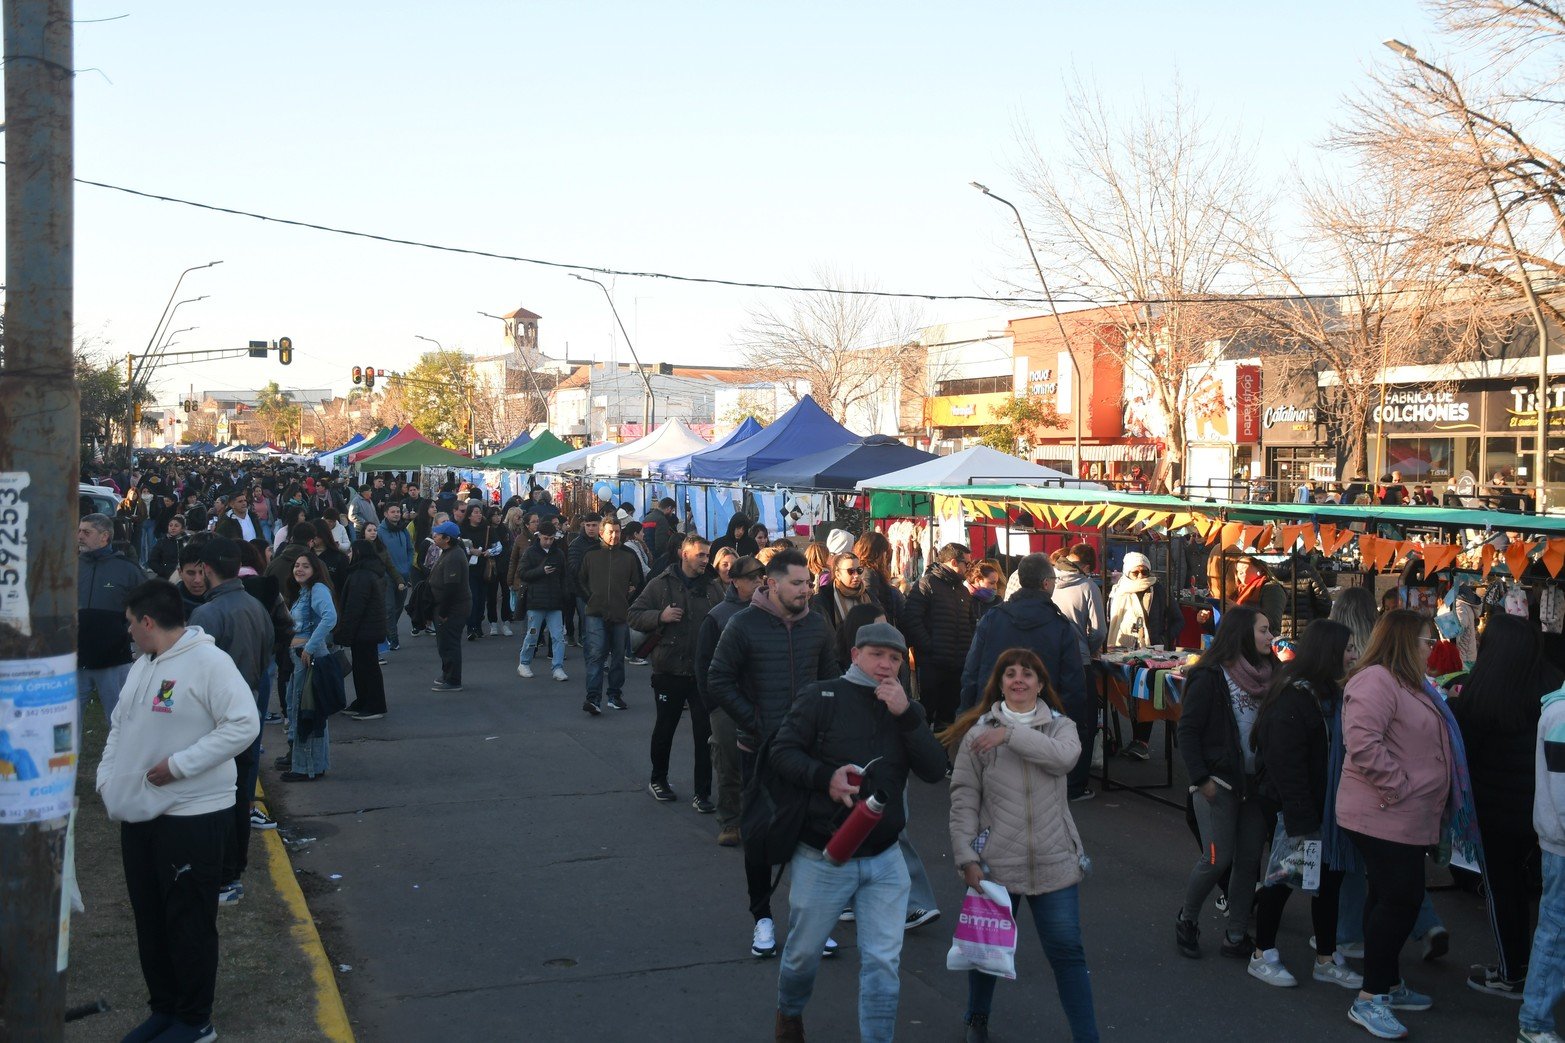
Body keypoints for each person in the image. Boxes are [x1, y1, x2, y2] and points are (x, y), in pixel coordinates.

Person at [768, 622, 948, 1043]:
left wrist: (906, 715)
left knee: (883, 962)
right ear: (854, 655)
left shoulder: (907, 707)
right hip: (824, 855)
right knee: (801, 956)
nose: (886, 665)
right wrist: (824, 777)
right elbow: (781, 752)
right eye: (876, 655)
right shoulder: (821, 697)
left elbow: (935, 770)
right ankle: (789, 1014)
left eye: (895, 659)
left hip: (885, 858)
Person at [97, 580, 260, 1043]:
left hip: (192, 816)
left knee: (187, 922)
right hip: (139, 816)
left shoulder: (209, 662)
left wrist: (179, 766)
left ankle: (194, 1021)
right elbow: (119, 727)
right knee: (150, 919)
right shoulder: (141, 666)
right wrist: (106, 779)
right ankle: (164, 1009)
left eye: (130, 623)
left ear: (148, 622)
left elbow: (243, 724)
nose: (128, 632)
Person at [1337, 609, 1481, 1039]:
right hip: (1382, 813)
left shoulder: (1407, 682)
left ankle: (1387, 984)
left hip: (1401, 814)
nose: (1431, 647)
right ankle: (1370, 998)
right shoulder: (1376, 680)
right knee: (1400, 900)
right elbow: (1362, 742)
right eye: (1424, 640)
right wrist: (1400, 788)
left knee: (1388, 898)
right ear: (1402, 641)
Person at [944, 648, 1098, 1042]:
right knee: (985, 954)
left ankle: (1088, 1036)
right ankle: (976, 1018)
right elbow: (963, 799)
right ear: (1000, 683)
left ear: (1041, 684)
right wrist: (966, 857)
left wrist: (1011, 735)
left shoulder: (1061, 727)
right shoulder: (978, 734)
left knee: (1068, 955)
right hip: (995, 864)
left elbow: (1066, 760)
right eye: (1010, 673)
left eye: (1027, 674)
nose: (1018, 680)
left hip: (1055, 861)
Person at [707, 548, 839, 959]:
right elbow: (718, 678)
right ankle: (762, 917)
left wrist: (826, 726)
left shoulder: (817, 627)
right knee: (761, 835)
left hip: (809, 752)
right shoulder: (743, 625)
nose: (805, 590)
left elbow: (831, 681)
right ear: (772, 584)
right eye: (797, 583)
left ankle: (811, 920)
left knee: (813, 837)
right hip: (759, 750)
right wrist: (755, 721)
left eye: (807, 583)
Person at [1247, 619, 1365, 990]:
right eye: (1347, 649)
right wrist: (1301, 816)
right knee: (1283, 878)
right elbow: (1286, 764)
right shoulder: (1295, 697)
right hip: (1296, 807)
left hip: (1326, 808)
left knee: (1327, 881)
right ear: (1328, 653)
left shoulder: (1328, 693)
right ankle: (1261, 952)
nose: (1354, 655)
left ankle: (1326, 957)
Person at [1454, 614, 1564, 998]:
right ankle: (1541, 970)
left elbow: (1464, 750)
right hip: (1547, 808)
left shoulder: (1482, 690)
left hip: (1495, 811)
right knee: (1549, 898)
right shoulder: (1552, 684)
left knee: (1505, 891)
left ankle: (1512, 970)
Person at [1175, 605, 1276, 960]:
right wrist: (1201, 779)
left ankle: (1235, 935)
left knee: (1249, 863)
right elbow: (1186, 731)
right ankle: (1187, 920)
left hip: (1257, 785)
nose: (1270, 636)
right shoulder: (1209, 674)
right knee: (1217, 859)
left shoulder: (1272, 673)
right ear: (1242, 633)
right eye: (1264, 629)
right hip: (1219, 784)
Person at [186, 538, 274, 908]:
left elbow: (194, 674)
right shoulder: (255, 605)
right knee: (239, 796)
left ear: (206, 570)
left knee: (221, 799)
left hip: (219, 719)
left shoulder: (208, 615)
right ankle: (232, 872)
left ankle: (223, 877)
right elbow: (268, 653)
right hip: (247, 711)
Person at [961, 553, 1092, 801]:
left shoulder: (994, 617)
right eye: (1053, 579)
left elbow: (971, 671)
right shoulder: (1059, 626)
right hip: (1039, 722)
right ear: (1045, 583)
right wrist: (1074, 727)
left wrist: (966, 712)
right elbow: (1073, 686)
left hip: (994, 716)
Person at [629, 533, 724, 809]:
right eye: (701, 555)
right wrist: (660, 616)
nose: (706, 560)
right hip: (668, 668)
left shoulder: (712, 588)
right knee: (665, 728)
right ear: (685, 554)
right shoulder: (661, 584)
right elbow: (633, 614)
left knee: (704, 734)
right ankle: (658, 779)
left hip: (701, 672)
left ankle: (702, 793)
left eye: (708, 555)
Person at [695, 554, 767, 847]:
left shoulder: (771, 612)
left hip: (762, 699)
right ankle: (730, 820)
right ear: (735, 581)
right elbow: (703, 664)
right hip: (725, 703)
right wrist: (712, 705)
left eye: (761, 576)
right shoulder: (718, 616)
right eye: (752, 577)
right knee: (729, 762)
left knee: (764, 762)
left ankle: (758, 819)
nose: (759, 581)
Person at [1519, 675, 1565, 1042]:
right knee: (1556, 931)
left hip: (1558, 840)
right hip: (1561, 845)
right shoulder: (1561, 715)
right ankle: (1535, 1022)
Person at [77, 513, 147, 725]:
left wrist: (129, 630)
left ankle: (121, 759)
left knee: (119, 721)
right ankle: (70, 759)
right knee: (67, 724)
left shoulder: (126, 569)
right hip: (75, 660)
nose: (79, 536)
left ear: (104, 536)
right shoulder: (70, 566)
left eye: (86, 532)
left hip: (113, 660)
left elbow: (148, 604)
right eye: (79, 531)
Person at [279, 552, 338, 781]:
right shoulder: (303, 591)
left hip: (308, 659)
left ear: (315, 570)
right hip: (299, 658)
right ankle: (307, 763)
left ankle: (306, 769)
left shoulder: (318, 589)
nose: (299, 569)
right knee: (299, 709)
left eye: (305, 566)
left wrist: (310, 647)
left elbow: (329, 618)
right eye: (296, 565)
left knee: (308, 713)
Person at [903, 543, 977, 728]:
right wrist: (929, 648)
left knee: (949, 717)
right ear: (953, 562)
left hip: (957, 665)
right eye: (966, 564)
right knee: (925, 713)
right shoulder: (926, 584)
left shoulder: (962, 590)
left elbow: (970, 623)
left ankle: (944, 753)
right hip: (932, 665)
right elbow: (911, 620)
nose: (968, 568)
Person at [578, 514, 643, 715]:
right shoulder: (590, 554)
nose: (614, 536)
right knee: (596, 655)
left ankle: (614, 695)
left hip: (620, 613)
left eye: (617, 532)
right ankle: (593, 698)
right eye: (610, 532)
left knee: (617, 657)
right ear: (601, 532)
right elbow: (580, 580)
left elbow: (639, 582)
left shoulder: (629, 555)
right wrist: (591, 599)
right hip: (595, 613)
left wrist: (628, 602)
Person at [337, 539, 390, 721]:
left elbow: (355, 608)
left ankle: (374, 705)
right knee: (362, 667)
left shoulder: (362, 575)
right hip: (368, 628)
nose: (348, 555)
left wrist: (344, 632)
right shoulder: (367, 572)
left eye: (351, 551)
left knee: (368, 668)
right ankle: (363, 700)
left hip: (365, 629)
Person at [515, 521, 571, 682]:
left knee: (558, 637)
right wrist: (541, 571)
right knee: (532, 635)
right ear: (539, 536)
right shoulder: (530, 553)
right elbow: (522, 573)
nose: (548, 541)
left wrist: (564, 595)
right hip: (536, 601)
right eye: (546, 538)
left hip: (554, 602)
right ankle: (524, 663)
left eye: (551, 539)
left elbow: (564, 576)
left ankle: (558, 667)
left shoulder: (559, 554)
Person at [427, 521, 471, 692]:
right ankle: (447, 673)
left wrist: (443, 612)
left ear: (447, 538)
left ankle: (453, 680)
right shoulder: (448, 552)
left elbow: (451, 587)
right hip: (446, 605)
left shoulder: (454, 556)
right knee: (443, 642)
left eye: (437, 534)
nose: (434, 536)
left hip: (453, 608)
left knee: (450, 643)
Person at [809, 551, 880, 634]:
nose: (856, 575)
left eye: (859, 570)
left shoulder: (869, 597)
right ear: (838, 574)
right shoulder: (824, 599)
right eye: (851, 571)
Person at [378, 503, 414, 652]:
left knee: (399, 607)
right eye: (393, 512)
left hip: (404, 574)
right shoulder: (380, 531)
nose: (396, 514)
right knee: (389, 608)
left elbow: (410, 549)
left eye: (398, 512)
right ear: (386, 514)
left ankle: (387, 631)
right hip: (387, 576)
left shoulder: (403, 530)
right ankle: (393, 638)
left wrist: (408, 565)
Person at [147, 513, 190, 580]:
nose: (173, 528)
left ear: (182, 528)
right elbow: (152, 561)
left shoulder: (188, 541)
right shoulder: (162, 541)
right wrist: (163, 572)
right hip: (166, 576)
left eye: (176, 526)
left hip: (186, 575)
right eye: (170, 525)